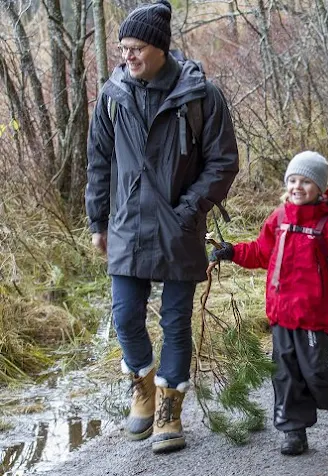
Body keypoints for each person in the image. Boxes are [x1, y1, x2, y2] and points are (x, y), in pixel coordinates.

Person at [85, 0, 239, 455]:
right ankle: (143, 385)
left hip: (178, 226)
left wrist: (189, 209)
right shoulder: (113, 97)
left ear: (159, 48)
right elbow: (99, 163)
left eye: (135, 48)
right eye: (123, 48)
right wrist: (98, 221)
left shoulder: (201, 95)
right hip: (127, 225)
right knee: (125, 316)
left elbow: (223, 162)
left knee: (175, 322)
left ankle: (170, 408)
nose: (127, 56)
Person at [210, 151, 328, 456]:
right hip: (281, 312)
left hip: (313, 314)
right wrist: (232, 252)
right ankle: (293, 430)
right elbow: (259, 251)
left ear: (319, 188)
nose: (297, 186)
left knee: (316, 373)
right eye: (293, 180)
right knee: (284, 373)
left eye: (306, 181)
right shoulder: (279, 219)